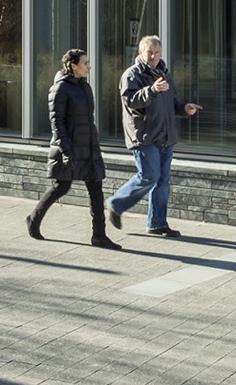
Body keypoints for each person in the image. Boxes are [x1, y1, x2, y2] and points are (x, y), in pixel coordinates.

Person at [108, 34, 202, 237]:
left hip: (165, 137)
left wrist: (184, 108)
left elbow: (171, 103)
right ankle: (116, 204)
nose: (153, 56)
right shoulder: (131, 75)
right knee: (149, 176)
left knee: (162, 182)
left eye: (157, 52)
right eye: (149, 52)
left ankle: (157, 224)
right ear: (140, 52)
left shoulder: (165, 74)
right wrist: (151, 90)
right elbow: (131, 100)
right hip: (144, 136)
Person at [27, 49, 120, 250]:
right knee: (61, 186)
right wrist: (66, 151)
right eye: (85, 63)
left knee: (96, 188)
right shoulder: (60, 89)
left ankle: (99, 235)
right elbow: (57, 123)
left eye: (88, 62)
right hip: (69, 147)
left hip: (89, 146)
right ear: (73, 65)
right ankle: (33, 220)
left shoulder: (85, 87)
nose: (89, 66)